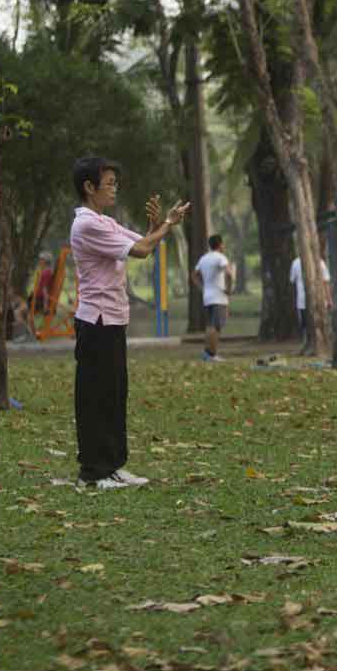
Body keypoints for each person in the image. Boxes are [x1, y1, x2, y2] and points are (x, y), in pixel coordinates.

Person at [70, 157, 189, 490]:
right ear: (89, 187)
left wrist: (157, 226)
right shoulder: (87, 225)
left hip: (113, 319)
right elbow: (139, 250)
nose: (114, 189)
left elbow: (144, 245)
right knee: (95, 398)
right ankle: (92, 472)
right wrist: (167, 223)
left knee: (114, 395)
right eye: (108, 183)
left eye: (114, 183)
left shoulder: (104, 222)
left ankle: (113, 465)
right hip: (96, 322)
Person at [192, 234, 233, 362]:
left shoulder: (204, 258)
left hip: (207, 296)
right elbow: (229, 274)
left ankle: (207, 353)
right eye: (223, 244)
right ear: (220, 244)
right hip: (219, 297)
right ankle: (212, 354)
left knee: (210, 326)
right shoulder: (221, 258)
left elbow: (193, 275)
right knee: (216, 327)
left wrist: (202, 288)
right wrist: (228, 289)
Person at [290, 249, 331, 356]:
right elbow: (293, 283)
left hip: (317, 301)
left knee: (316, 323)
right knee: (306, 325)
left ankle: (321, 345)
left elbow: (325, 282)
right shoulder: (296, 263)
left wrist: (329, 299)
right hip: (303, 301)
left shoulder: (319, 262)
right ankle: (308, 345)